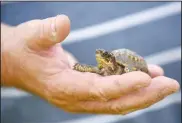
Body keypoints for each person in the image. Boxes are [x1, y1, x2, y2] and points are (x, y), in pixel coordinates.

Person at [1, 14, 179, 115]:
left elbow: (129, 67)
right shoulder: (103, 69)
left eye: (104, 55)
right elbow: (93, 70)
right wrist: (8, 59)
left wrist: (135, 70)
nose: (99, 57)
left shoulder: (121, 65)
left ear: (110, 58)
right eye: (99, 55)